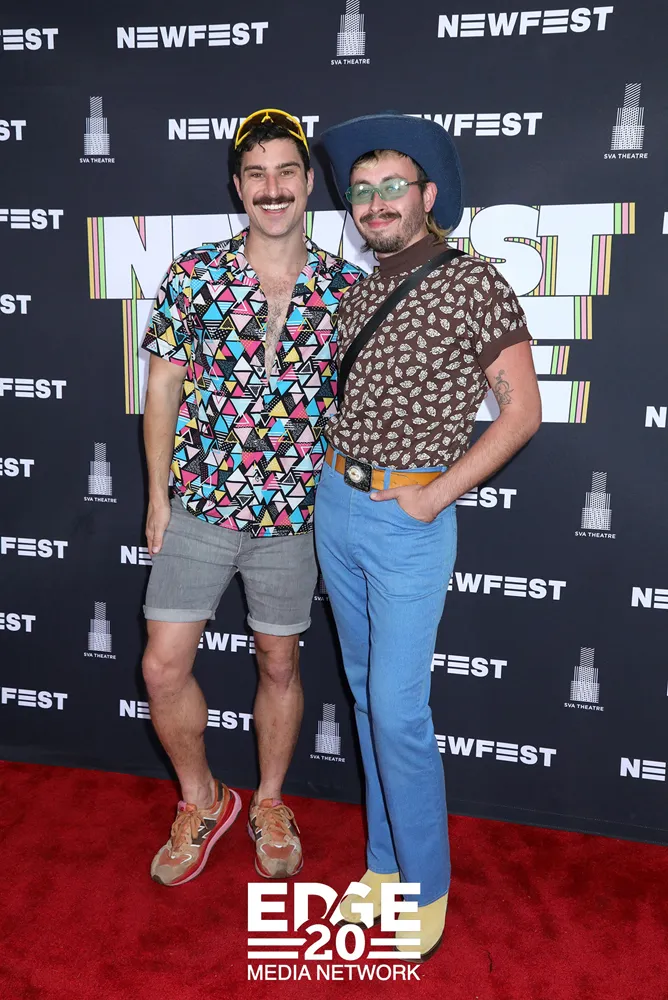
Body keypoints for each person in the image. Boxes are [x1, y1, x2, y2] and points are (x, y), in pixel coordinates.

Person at [318, 112, 541, 959]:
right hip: (336, 506)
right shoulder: (358, 288)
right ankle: (382, 868)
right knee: (367, 697)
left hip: (408, 519)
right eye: (362, 191)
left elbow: (522, 412)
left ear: (428, 195)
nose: (376, 203)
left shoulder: (473, 282)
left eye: (392, 187)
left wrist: (435, 495)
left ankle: (424, 886)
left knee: (398, 709)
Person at [140, 108, 364, 887]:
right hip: (200, 504)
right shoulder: (193, 273)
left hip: (297, 517)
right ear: (238, 187)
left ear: (308, 184)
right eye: (257, 174)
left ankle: (269, 801)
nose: (273, 188)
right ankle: (203, 801)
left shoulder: (346, 288)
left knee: (279, 663)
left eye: (287, 172)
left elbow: (359, 408)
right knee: (162, 667)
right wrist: (158, 496)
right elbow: (162, 388)